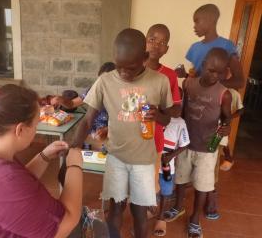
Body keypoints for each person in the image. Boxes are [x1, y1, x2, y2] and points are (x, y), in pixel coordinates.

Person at [70, 28, 173, 238]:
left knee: (139, 212)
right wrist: (73, 147)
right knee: (115, 209)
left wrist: (158, 116)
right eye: (119, 67)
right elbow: (88, 119)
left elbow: (168, 118)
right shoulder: (105, 81)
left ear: (145, 58)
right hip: (116, 158)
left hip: (144, 161)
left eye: (131, 68)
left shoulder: (159, 81)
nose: (124, 73)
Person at [0, 84, 83, 238]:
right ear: (20, 129)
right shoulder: (3, 181)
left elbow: (18, 186)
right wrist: (74, 165)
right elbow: (67, 222)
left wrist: (43, 156)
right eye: (36, 124)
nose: (36, 130)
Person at [165, 48, 232, 238]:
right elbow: (182, 111)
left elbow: (227, 118)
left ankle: (195, 219)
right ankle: (178, 207)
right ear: (203, 65)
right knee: (180, 178)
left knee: (202, 185)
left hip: (207, 147)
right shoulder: (188, 84)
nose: (214, 75)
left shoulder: (223, 94)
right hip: (186, 143)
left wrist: (226, 127)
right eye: (211, 70)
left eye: (219, 72)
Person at [145, 24, 182, 201]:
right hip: (127, 139)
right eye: (152, 39)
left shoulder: (169, 76)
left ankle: (144, 215)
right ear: (144, 41)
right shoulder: (130, 68)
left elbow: (175, 110)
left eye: (162, 42)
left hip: (154, 139)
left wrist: (159, 111)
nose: (156, 45)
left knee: (149, 184)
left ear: (166, 49)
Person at [175, 3, 245, 89]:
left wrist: (210, 87)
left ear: (210, 20)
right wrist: (185, 75)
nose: (194, 26)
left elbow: (239, 81)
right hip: (196, 99)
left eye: (197, 21)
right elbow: (198, 79)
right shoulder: (194, 47)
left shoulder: (227, 46)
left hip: (214, 101)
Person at [153, 89, 190, 236]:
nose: (175, 107)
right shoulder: (154, 118)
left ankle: (161, 217)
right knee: (148, 188)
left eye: (177, 104)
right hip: (150, 163)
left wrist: (171, 156)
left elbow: (185, 144)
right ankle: (145, 215)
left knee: (166, 191)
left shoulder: (180, 123)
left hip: (167, 165)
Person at [51, 62, 116, 141]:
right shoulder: (93, 90)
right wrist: (59, 99)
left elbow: (124, 122)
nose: (102, 84)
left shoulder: (120, 96)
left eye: (106, 81)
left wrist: (106, 129)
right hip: (93, 133)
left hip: (112, 134)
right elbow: (72, 104)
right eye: (100, 80)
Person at [219, 88, 244, 171]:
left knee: (223, 141)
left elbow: (241, 110)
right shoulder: (214, 88)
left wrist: (230, 117)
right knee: (220, 142)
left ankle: (228, 158)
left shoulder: (234, 93)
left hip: (224, 122)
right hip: (211, 121)